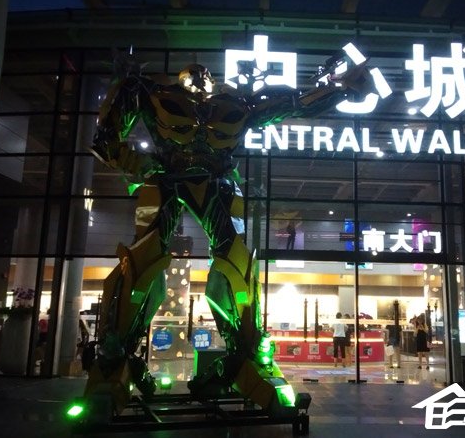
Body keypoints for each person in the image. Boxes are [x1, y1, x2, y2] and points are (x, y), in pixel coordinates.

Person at [87, 52, 374, 414]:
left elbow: (295, 103)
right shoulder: (150, 93)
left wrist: (339, 89)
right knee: (142, 261)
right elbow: (106, 138)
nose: (200, 75)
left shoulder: (237, 103)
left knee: (235, 264)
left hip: (218, 182)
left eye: (205, 74)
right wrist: (130, 159)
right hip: (166, 177)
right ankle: (115, 356)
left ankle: (245, 354)